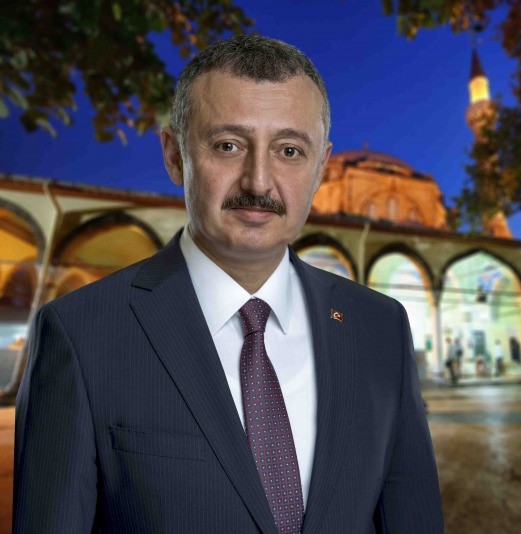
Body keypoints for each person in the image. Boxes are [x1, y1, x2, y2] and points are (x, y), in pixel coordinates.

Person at [14, 35, 443, 533]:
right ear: (174, 155)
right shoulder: (81, 335)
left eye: (288, 150)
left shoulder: (379, 326)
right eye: (228, 146)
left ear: (321, 168)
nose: (258, 182)